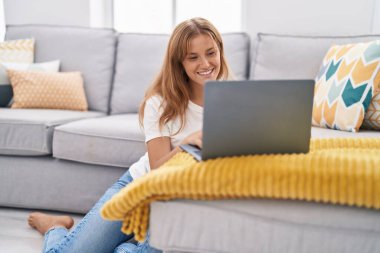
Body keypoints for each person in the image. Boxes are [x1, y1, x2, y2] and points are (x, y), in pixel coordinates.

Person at [28, 17, 232, 253]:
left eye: (211, 53)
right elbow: (157, 169)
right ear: (179, 63)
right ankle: (55, 227)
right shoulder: (160, 102)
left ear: (220, 51)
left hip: (178, 205)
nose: (205, 63)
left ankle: (130, 243)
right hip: (138, 190)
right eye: (193, 57)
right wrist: (185, 144)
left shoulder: (232, 100)